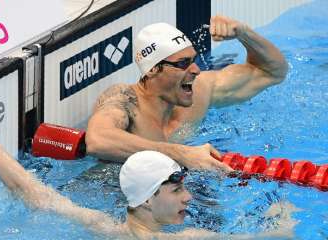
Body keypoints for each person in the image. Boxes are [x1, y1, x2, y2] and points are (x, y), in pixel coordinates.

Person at [0, 83, 297, 239]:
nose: (187, 196)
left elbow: (25, 186)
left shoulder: (100, 226)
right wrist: (283, 218)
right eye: (175, 188)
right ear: (144, 200)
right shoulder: (188, 237)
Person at [86, 15, 288, 170]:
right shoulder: (125, 100)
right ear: (152, 69)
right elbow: (97, 140)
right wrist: (181, 154)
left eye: (193, 60)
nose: (196, 70)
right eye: (183, 63)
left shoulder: (200, 90)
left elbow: (272, 72)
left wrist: (244, 33)